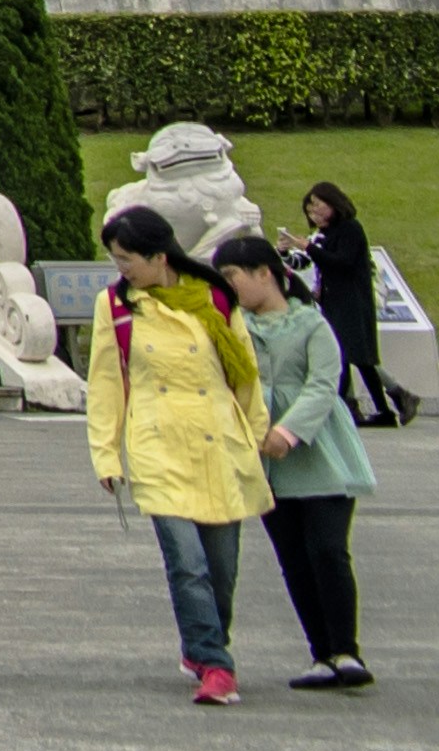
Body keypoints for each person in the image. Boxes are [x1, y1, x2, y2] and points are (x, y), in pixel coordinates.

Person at [87, 205, 271, 707]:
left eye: (128, 259)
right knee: (187, 564)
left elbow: (244, 370)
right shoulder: (117, 306)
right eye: (115, 259)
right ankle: (215, 663)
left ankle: (203, 643)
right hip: (157, 444)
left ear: (159, 256)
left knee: (221, 569)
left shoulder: (213, 296)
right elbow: (106, 382)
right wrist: (107, 453)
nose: (121, 268)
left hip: (218, 443)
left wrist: (257, 433)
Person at [221, 236, 374, 692]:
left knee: (327, 550)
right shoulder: (233, 326)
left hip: (318, 454)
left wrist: (287, 432)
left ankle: (346, 650)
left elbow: (324, 384)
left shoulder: (311, 324)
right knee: (294, 559)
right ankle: (321, 654)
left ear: (264, 273)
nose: (229, 286)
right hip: (265, 462)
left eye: (233, 276)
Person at [296, 181, 413, 429]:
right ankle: (370, 407)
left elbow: (344, 263)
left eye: (318, 206)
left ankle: (371, 407)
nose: (313, 214)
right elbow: (327, 266)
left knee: (356, 355)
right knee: (351, 356)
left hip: (352, 302)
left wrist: (310, 249)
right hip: (335, 301)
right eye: (310, 210)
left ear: (334, 203)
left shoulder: (350, 229)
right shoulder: (328, 235)